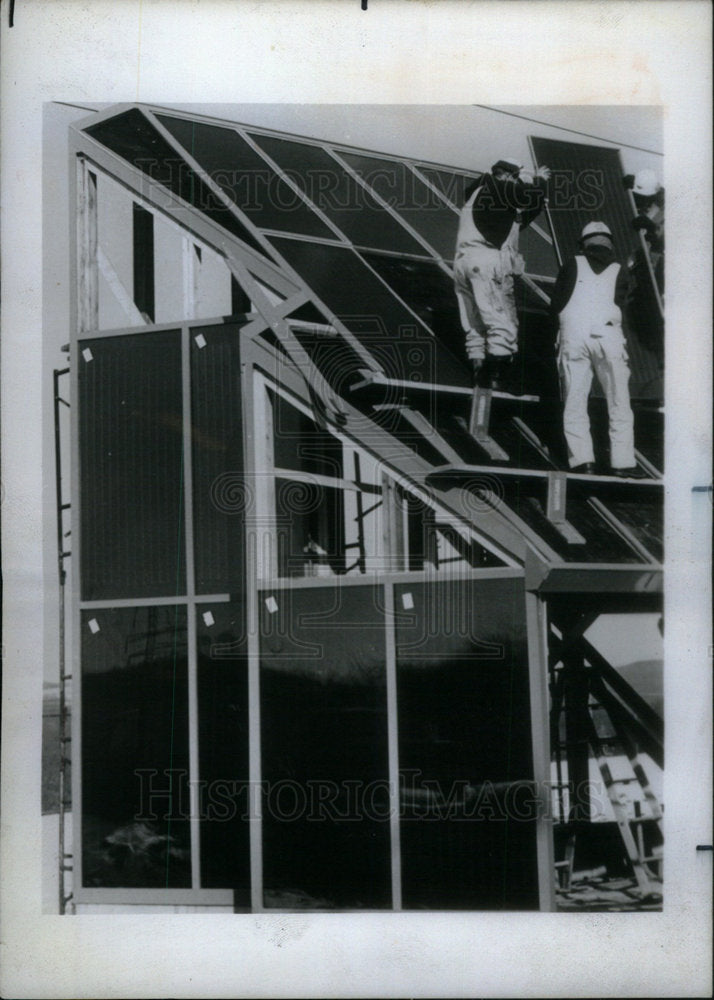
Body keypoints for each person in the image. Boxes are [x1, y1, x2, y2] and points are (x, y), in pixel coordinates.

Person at [550, 221, 646, 478]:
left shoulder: (571, 264)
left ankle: (583, 461)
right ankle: (622, 464)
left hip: (574, 335)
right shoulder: (619, 271)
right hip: (608, 336)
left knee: (575, 400)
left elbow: (556, 303)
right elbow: (620, 303)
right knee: (619, 401)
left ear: (584, 245)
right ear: (609, 244)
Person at [453, 157, 551, 392]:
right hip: (486, 263)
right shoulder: (499, 187)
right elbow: (528, 197)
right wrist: (539, 181)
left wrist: (536, 191)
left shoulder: (480, 194)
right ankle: (496, 379)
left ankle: (478, 373)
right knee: (502, 322)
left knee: (475, 325)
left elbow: (520, 217)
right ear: (507, 176)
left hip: (463, 263)